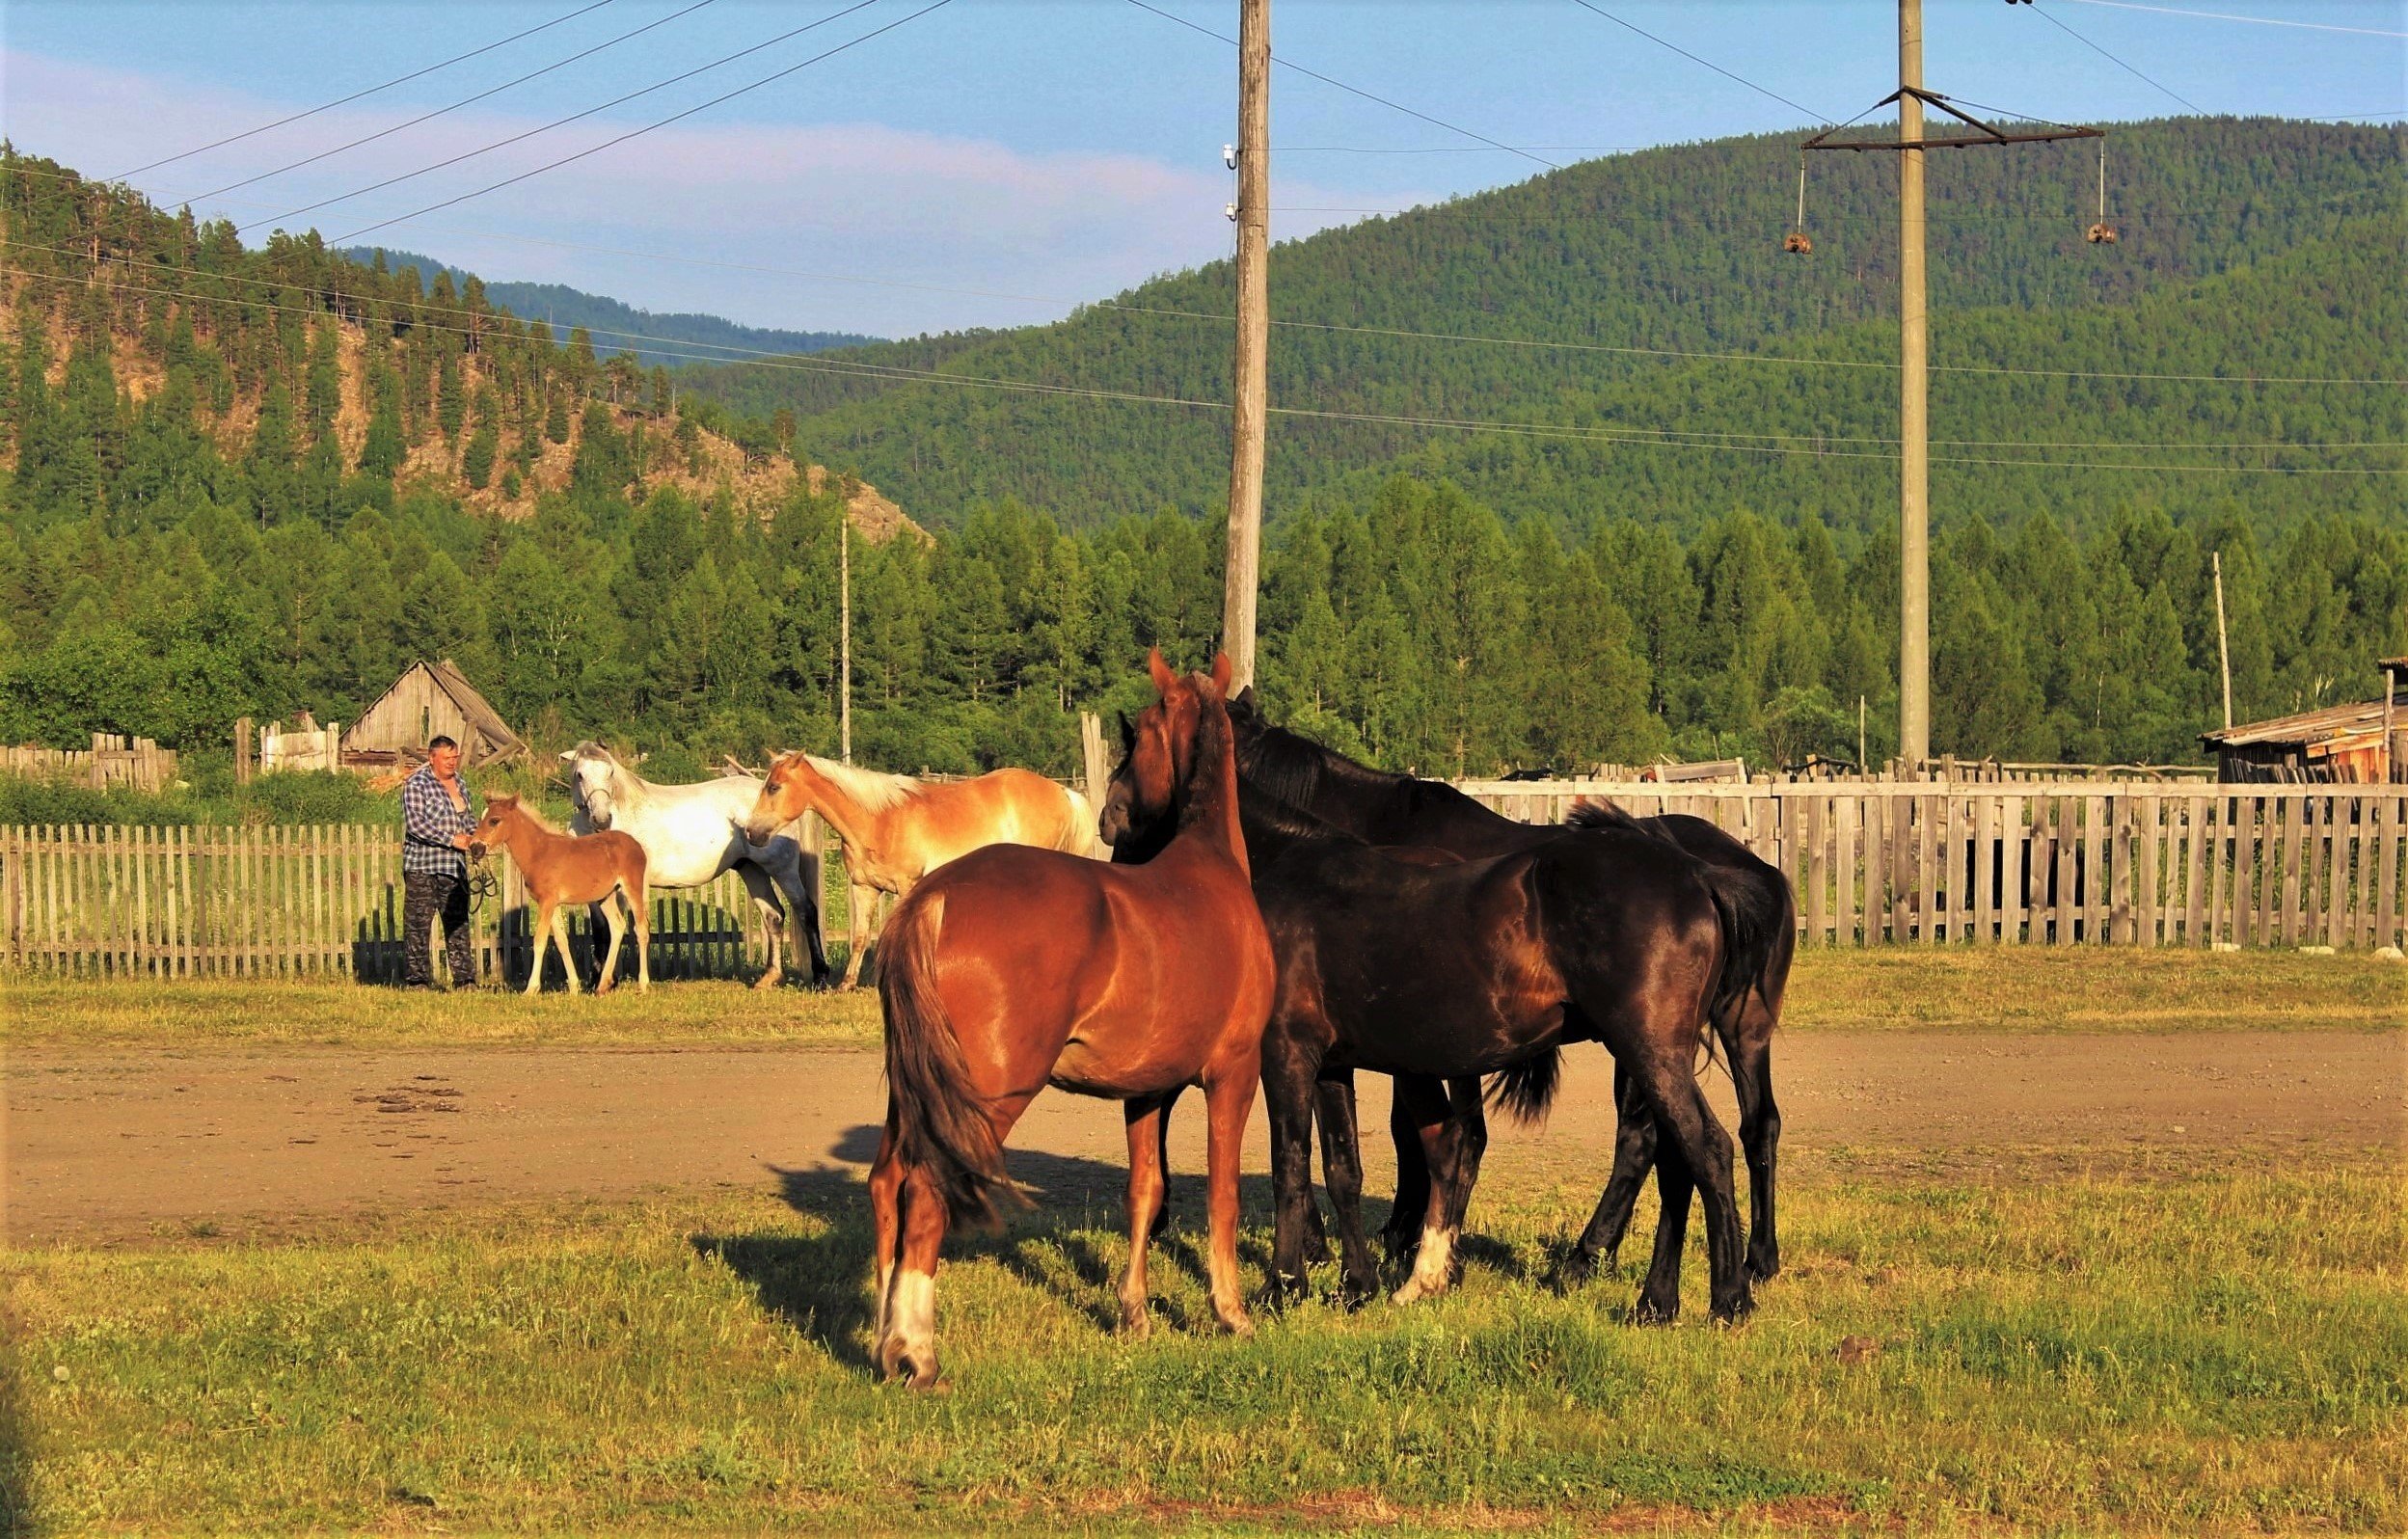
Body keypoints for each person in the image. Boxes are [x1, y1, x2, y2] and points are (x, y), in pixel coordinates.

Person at [400, 736, 480, 987]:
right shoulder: (417, 784)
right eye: (447, 758)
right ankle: (418, 981)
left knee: (458, 924)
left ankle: (465, 980)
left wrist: (477, 839)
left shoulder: (461, 784)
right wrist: (452, 839)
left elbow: (468, 820)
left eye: (455, 757)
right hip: (422, 866)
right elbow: (416, 826)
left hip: (453, 868)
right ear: (432, 758)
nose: (452, 762)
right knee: (418, 926)